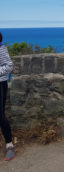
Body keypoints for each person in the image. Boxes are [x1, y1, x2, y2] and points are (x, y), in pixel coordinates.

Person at [0, 32, 16, 161]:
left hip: (0, 84)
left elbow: (9, 66)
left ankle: (9, 145)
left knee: (0, 115)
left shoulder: (1, 48)